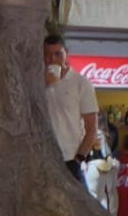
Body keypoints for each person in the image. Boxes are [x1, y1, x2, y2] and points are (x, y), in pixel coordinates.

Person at [42, 35, 99, 183]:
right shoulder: (37, 81)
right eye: (47, 55)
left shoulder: (81, 83)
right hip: (42, 156)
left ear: (66, 52)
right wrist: (43, 84)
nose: (52, 59)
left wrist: (78, 159)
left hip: (69, 157)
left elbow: (92, 127)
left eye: (57, 54)